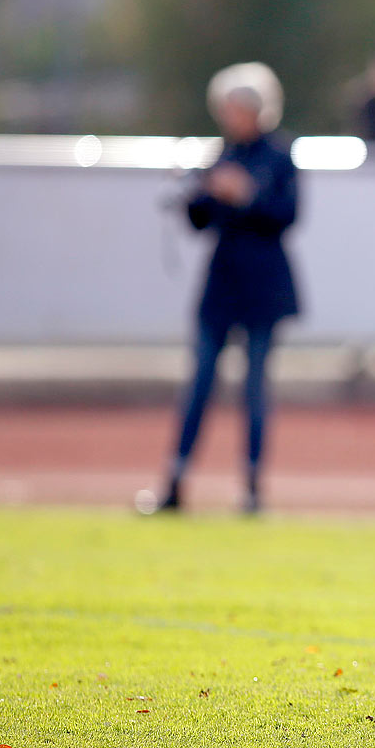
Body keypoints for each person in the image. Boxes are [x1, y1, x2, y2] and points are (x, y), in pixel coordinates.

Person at [151, 62, 299, 514]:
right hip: (221, 284)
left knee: (254, 389)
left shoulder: (277, 157)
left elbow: (286, 214)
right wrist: (195, 191)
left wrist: (245, 195)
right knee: (199, 385)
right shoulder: (222, 154)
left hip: (262, 284)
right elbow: (201, 222)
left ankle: (252, 486)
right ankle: (175, 480)